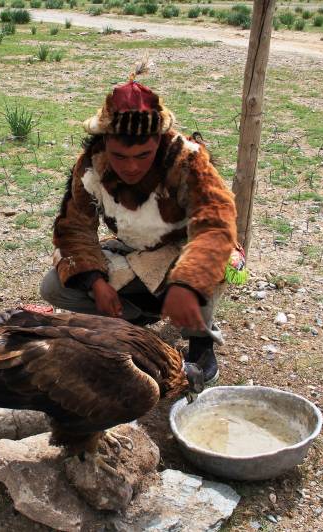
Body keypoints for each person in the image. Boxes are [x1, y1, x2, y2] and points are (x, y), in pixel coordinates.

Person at [39, 69, 238, 384]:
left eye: (143, 155)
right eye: (120, 156)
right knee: (53, 287)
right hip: (137, 249)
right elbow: (75, 230)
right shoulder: (91, 165)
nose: (131, 167)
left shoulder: (188, 162)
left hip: (184, 248)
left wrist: (186, 284)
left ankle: (200, 342)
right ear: (105, 143)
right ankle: (138, 316)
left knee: (214, 265)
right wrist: (95, 283)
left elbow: (215, 225)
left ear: (160, 140)